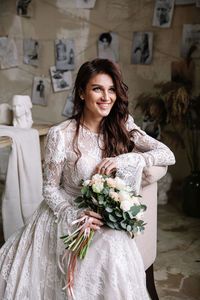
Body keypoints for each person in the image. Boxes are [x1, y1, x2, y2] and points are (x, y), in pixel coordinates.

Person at [0, 58, 175, 299]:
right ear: (81, 93)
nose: (107, 97)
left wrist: (127, 160)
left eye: (112, 89)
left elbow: (167, 154)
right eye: (97, 89)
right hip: (68, 212)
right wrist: (75, 216)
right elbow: (50, 188)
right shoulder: (60, 134)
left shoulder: (122, 125)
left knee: (114, 244)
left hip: (105, 215)